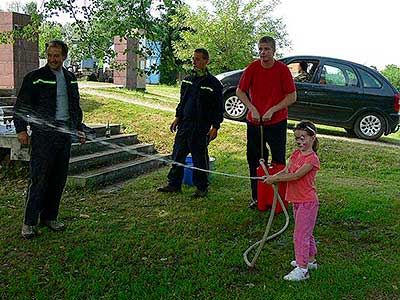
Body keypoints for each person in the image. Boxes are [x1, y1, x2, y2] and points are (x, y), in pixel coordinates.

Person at [13, 40, 86, 239]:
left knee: (58, 179)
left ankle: (50, 217)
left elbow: (75, 107)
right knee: (39, 179)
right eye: (50, 55)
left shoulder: (70, 78)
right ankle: (29, 222)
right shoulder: (35, 78)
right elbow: (20, 107)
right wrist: (21, 130)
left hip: (64, 136)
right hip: (43, 137)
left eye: (57, 55)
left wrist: (79, 128)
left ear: (64, 57)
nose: (53, 59)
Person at [236, 36, 297, 208]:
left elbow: (292, 96)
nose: (263, 53)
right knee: (255, 159)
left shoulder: (282, 70)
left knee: (278, 161)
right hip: (255, 122)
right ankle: (258, 197)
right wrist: (251, 108)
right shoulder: (253, 68)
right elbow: (240, 91)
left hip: (277, 122)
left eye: (266, 49)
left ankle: (278, 197)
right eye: (260, 49)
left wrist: (273, 109)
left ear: (273, 51)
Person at [158, 48, 223, 198]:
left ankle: (201, 188)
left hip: (201, 127)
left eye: (198, 59)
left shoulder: (213, 83)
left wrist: (216, 127)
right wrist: (177, 117)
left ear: (206, 61)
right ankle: (174, 184)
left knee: (199, 157)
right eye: (193, 59)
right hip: (185, 124)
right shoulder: (187, 79)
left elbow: (218, 108)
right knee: (178, 154)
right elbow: (183, 101)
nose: (195, 62)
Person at [264, 120, 320, 281]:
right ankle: (310, 261)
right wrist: (273, 176)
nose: (299, 141)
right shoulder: (296, 154)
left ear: (313, 137)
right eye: (297, 138)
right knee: (305, 233)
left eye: (303, 137)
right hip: (297, 200)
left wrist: (276, 180)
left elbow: (295, 176)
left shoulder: (312, 159)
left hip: (308, 202)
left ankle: (302, 269)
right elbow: (287, 170)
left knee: (300, 235)